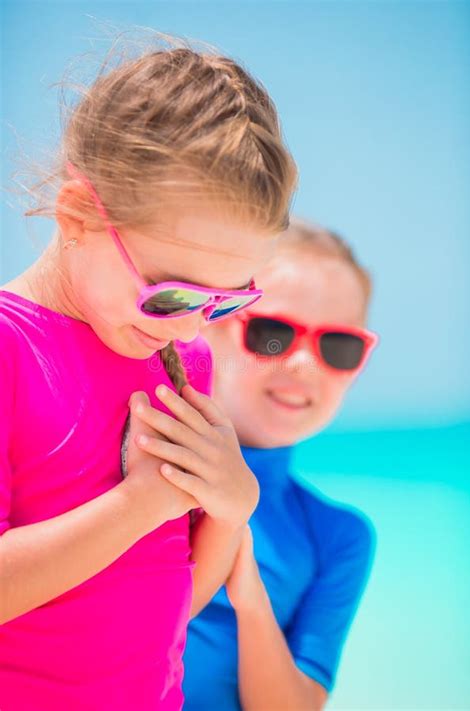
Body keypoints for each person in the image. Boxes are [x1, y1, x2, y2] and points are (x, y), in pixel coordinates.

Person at [0, 36, 297, 711]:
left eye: (223, 300)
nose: (191, 327)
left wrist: (231, 506)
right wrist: (141, 502)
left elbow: (175, 598)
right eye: (171, 293)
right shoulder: (10, 350)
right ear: (78, 217)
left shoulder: (177, 360)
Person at [183, 218, 379, 710]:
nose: (304, 364)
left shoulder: (338, 536)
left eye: (338, 346)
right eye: (274, 335)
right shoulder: (139, 456)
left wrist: (250, 596)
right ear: (212, 322)